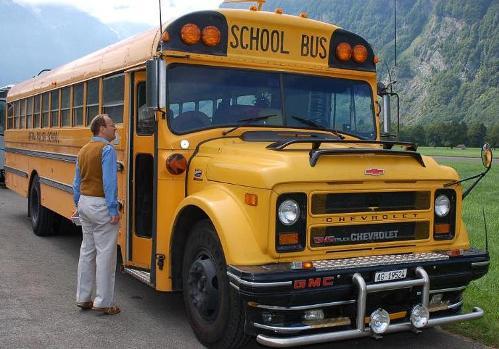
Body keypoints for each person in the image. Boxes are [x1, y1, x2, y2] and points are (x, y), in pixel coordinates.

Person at [73, 114, 120, 315]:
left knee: (87, 252)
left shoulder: (83, 150)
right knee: (106, 255)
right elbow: (110, 183)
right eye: (112, 125)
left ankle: (83, 298)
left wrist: (78, 204)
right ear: (102, 128)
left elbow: (76, 182)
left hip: (84, 202)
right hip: (101, 205)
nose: (115, 128)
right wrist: (113, 209)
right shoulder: (107, 150)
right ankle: (103, 302)